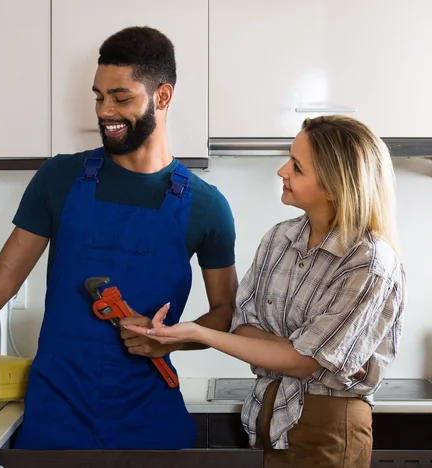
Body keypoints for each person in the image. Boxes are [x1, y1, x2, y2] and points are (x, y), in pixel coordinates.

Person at [0, 26, 238, 450]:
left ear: (162, 97)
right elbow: (2, 278)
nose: (104, 111)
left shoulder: (205, 206)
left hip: (150, 418)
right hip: (58, 415)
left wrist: (169, 339)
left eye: (120, 97)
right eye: (98, 96)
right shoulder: (61, 177)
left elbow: (225, 312)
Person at [127, 115, 406, 467]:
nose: (282, 171)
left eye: (297, 166)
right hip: (268, 417)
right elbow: (244, 326)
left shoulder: (369, 261)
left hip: (330, 428)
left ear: (335, 186)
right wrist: (296, 352)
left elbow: (303, 363)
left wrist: (203, 334)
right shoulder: (279, 238)